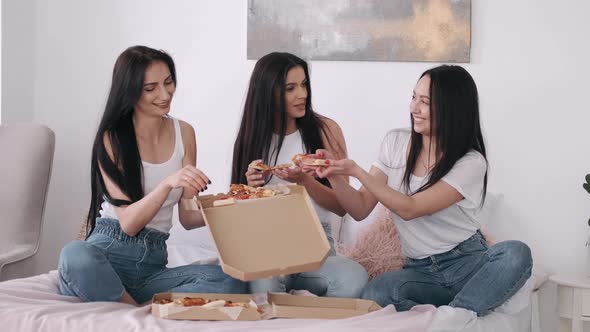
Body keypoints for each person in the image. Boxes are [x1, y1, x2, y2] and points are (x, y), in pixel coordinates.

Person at [312, 65, 532, 316]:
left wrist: (357, 171)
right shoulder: (395, 142)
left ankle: (455, 316)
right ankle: (461, 311)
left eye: (424, 102)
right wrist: (336, 177)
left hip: (468, 264)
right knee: (377, 292)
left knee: (516, 254)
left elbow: (411, 208)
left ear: (451, 108)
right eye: (413, 97)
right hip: (420, 272)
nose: (413, 108)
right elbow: (360, 208)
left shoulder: (471, 162)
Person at [58, 46, 246, 305]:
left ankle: (122, 302)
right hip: (108, 251)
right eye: (151, 88)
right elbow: (129, 224)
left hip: (152, 267)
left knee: (232, 280)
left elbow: (189, 217)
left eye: (169, 82)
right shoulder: (111, 138)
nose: (165, 93)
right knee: (75, 255)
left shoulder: (185, 133)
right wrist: (168, 183)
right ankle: (130, 309)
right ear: (130, 91)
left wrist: (237, 207)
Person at [231, 52, 368, 298]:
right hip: (266, 245)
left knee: (354, 277)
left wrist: (304, 181)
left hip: (316, 244)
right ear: (267, 93)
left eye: (304, 84)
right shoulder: (251, 138)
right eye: (290, 88)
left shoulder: (326, 130)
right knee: (264, 288)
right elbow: (238, 219)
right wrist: (250, 191)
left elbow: (341, 207)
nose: (302, 94)